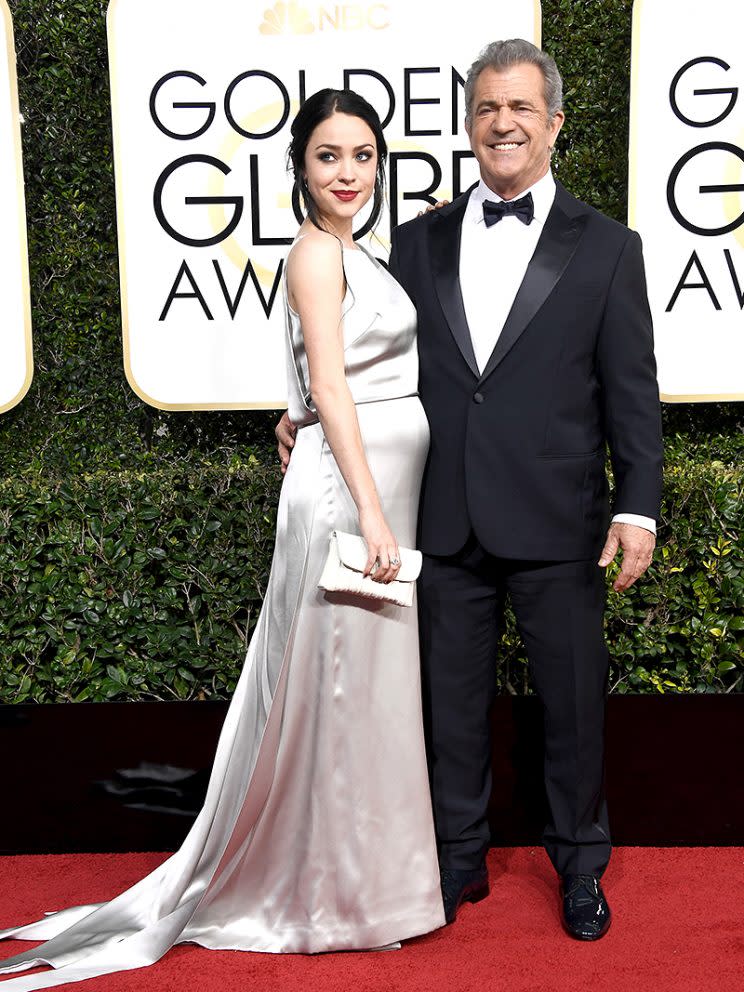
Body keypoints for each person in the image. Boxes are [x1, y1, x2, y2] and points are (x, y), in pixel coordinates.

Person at [0, 89, 445, 990]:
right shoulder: (316, 254)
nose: (348, 173)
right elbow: (331, 382)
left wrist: (296, 424)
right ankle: (330, 899)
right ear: (300, 168)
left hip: (373, 488)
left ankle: (365, 890)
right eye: (329, 156)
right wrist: (369, 507)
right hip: (353, 501)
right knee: (337, 690)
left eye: (363, 155)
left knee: (366, 695)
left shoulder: (358, 251)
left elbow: (309, 379)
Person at [278, 39, 663, 942]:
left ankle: (579, 865)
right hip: (443, 514)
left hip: (559, 518)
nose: (503, 124)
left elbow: (633, 391)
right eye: (487, 108)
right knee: (447, 708)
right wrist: (294, 411)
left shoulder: (610, 248)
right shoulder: (412, 242)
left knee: (573, 707)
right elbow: (349, 354)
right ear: (467, 124)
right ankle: (454, 861)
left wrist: (636, 502)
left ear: (555, 125)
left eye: (522, 108)